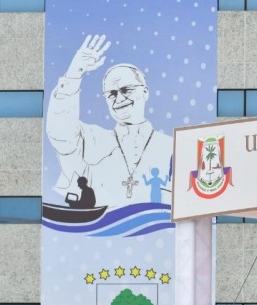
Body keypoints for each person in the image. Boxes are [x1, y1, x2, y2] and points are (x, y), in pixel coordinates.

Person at [46, 34, 172, 209]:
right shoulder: (92, 140)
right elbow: (60, 131)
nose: (119, 98)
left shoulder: (172, 147)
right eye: (111, 94)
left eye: (126, 89)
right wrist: (74, 74)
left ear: (145, 92)